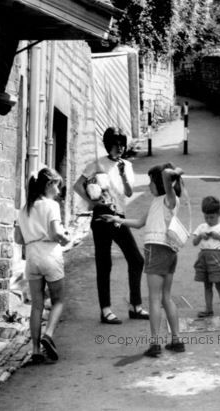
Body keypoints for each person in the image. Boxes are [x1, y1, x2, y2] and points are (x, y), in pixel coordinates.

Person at [104, 163, 184, 357]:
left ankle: (155, 343)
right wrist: (118, 219)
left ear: (161, 183)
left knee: (155, 299)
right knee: (165, 297)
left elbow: (166, 174)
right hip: (169, 252)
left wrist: (175, 173)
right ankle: (176, 340)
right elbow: (140, 223)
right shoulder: (158, 202)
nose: (148, 185)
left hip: (157, 251)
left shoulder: (170, 199)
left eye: (150, 181)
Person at [73, 127, 148, 325]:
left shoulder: (127, 166)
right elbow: (77, 185)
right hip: (102, 216)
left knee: (136, 260)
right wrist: (93, 202)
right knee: (105, 263)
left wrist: (123, 174)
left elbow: (129, 193)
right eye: (116, 144)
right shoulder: (97, 164)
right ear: (108, 145)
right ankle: (107, 310)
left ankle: (134, 306)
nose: (120, 148)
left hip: (119, 216)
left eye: (122, 144)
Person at [19, 168, 70, 364]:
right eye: (57, 186)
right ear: (49, 185)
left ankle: (35, 350)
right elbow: (56, 232)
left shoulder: (25, 209)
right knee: (58, 300)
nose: (58, 191)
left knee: (36, 306)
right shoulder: (51, 205)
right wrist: (65, 238)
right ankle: (48, 335)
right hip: (50, 254)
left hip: (32, 256)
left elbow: (17, 238)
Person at [192, 196, 220, 320]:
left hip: (215, 257)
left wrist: (219, 237)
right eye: (206, 217)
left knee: (219, 284)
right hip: (203, 257)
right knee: (207, 284)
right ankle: (209, 309)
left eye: (212, 217)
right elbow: (194, 242)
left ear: (219, 214)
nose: (209, 220)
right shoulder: (201, 227)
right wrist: (200, 236)